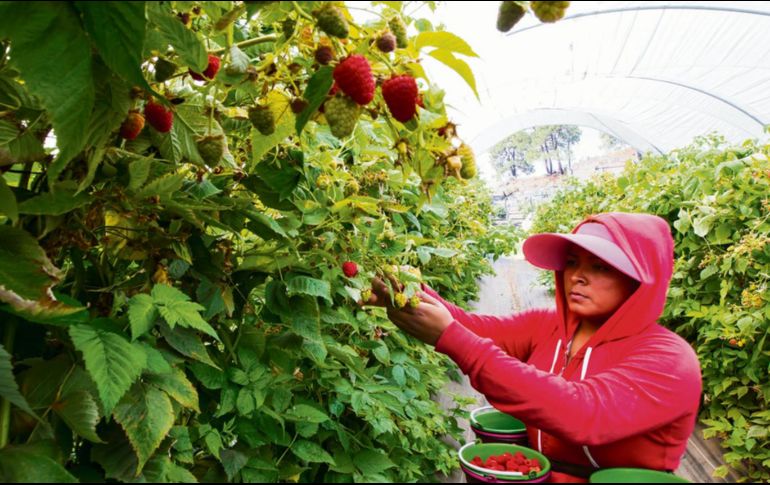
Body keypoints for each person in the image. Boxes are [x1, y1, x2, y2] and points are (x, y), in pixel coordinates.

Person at [366, 212, 702, 483]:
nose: (577, 277)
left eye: (600, 266)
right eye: (572, 262)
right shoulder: (549, 326)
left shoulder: (669, 360)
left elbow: (583, 412)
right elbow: (474, 329)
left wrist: (454, 339)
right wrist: (408, 291)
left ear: (642, 281)